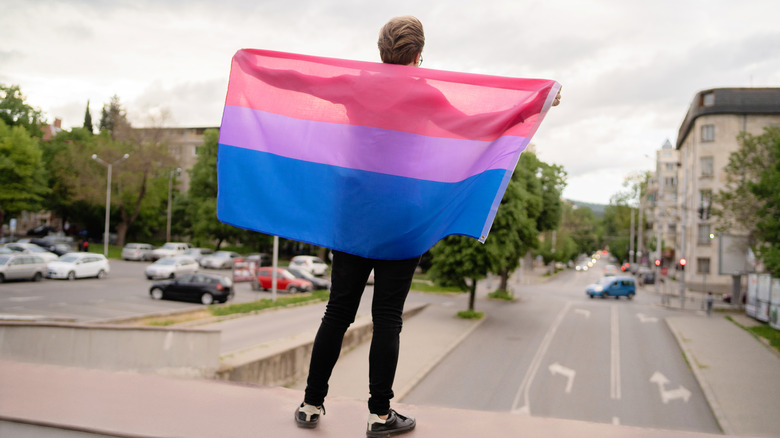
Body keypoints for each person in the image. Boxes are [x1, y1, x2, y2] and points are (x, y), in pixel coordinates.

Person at [294, 16, 561, 437]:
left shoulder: (356, 84)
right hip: (403, 217)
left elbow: (299, 81)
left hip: (354, 214)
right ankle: (379, 415)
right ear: (418, 55)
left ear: (381, 50)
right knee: (387, 318)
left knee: (338, 311)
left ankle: (311, 404)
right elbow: (477, 127)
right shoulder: (425, 93)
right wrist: (534, 105)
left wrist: (254, 66)